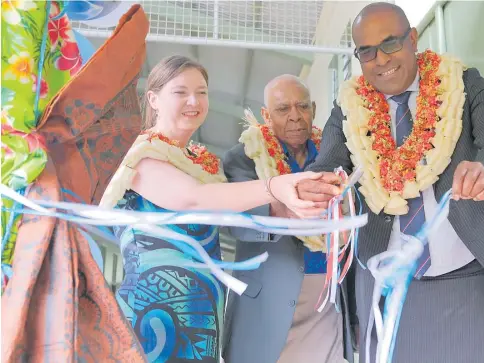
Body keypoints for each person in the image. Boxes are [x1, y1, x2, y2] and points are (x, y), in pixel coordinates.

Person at [297, 3, 484, 362]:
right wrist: (324, 192)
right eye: (366, 51)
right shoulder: (347, 110)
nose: (381, 59)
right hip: (389, 285)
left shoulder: (463, 83)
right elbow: (329, 163)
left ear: (413, 39)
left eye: (390, 43)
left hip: (468, 272)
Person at [98, 56, 324, 363]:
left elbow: (239, 210)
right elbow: (194, 197)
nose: (194, 101)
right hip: (151, 314)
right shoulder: (141, 156)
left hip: (202, 319)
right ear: (153, 98)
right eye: (181, 92)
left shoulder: (201, 163)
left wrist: (307, 201)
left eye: (201, 92)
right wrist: (275, 185)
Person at [221, 74, 355, 363]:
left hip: (328, 299)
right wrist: (296, 210)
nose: (295, 117)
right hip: (269, 301)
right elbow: (238, 222)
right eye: (283, 109)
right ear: (266, 116)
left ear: (314, 110)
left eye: (302, 106)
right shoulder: (242, 157)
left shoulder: (336, 154)